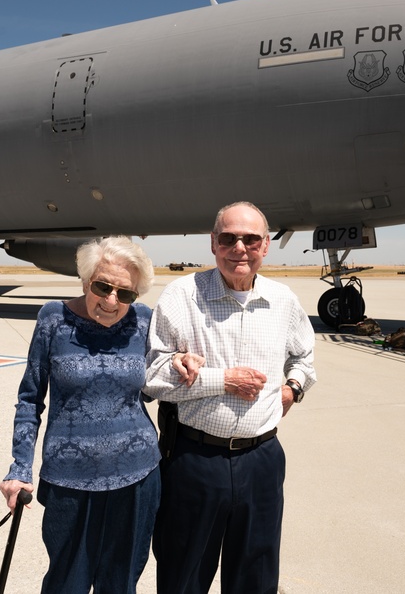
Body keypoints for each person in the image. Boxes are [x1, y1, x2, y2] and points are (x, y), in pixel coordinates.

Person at [144, 202, 317, 594]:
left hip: (262, 460)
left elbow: (304, 354)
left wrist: (294, 387)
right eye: (228, 238)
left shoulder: (283, 300)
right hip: (195, 461)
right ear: (213, 243)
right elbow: (152, 377)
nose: (239, 247)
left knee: (255, 576)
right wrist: (222, 380)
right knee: (183, 574)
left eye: (251, 239)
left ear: (265, 246)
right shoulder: (182, 296)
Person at [0, 236, 161, 594]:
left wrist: (182, 363)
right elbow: (29, 399)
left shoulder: (145, 321)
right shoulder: (53, 319)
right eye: (102, 287)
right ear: (86, 280)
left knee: (120, 585)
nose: (111, 300)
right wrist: (20, 468)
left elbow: (153, 387)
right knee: (65, 584)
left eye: (126, 293)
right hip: (69, 482)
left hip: (138, 477)